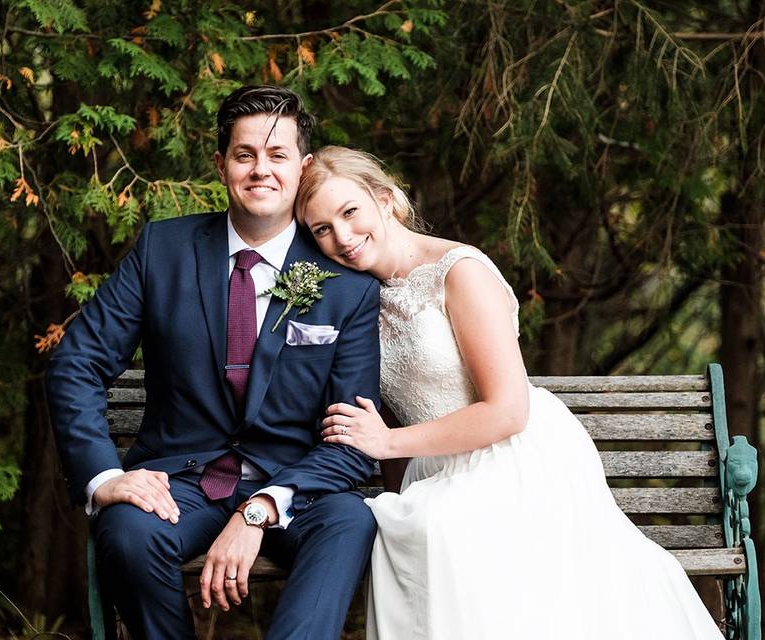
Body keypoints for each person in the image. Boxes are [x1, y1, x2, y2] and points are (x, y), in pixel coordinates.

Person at [294, 146, 726, 640]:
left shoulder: (458, 271)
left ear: (385, 199)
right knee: (404, 527)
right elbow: (390, 410)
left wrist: (387, 444)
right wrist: (397, 483)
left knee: (444, 531)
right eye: (321, 229)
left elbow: (508, 409)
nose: (342, 237)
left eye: (350, 212)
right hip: (433, 466)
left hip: (510, 452)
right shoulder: (359, 296)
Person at [46, 87, 381, 640]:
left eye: (277, 156)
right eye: (245, 154)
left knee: (350, 520)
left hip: (295, 489)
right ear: (221, 164)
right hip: (184, 483)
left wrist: (260, 510)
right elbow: (76, 363)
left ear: (303, 166)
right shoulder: (163, 249)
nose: (261, 170)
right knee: (128, 529)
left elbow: (350, 439)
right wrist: (105, 477)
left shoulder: (347, 286)